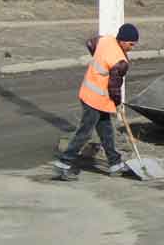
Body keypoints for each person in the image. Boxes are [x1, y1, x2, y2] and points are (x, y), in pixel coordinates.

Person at [54, 23, 139, 180]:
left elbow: (90, 43)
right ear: (122, 40)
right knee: (84, 133)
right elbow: (114, 87)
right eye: (131, 44)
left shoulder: (105, 40)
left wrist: (99, 57)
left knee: (106, 132)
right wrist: (118, 102)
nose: (132, 47)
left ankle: (115, 163)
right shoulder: (120, 61)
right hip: (94, 100)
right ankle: (64, 163)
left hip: (92, 95)